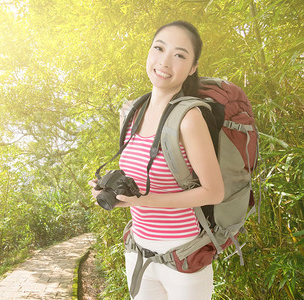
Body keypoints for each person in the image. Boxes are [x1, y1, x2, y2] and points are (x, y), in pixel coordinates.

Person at [89, 21, 224, 300]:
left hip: (183, 257)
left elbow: (214, 192)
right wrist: (110, 190)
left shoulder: (189, 118)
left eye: (179, 55)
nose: (165, 61)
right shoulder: (131, 112)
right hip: (138, 252)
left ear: (193, 66)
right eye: (159, 48)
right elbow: (136, 177)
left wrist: (145, 201)